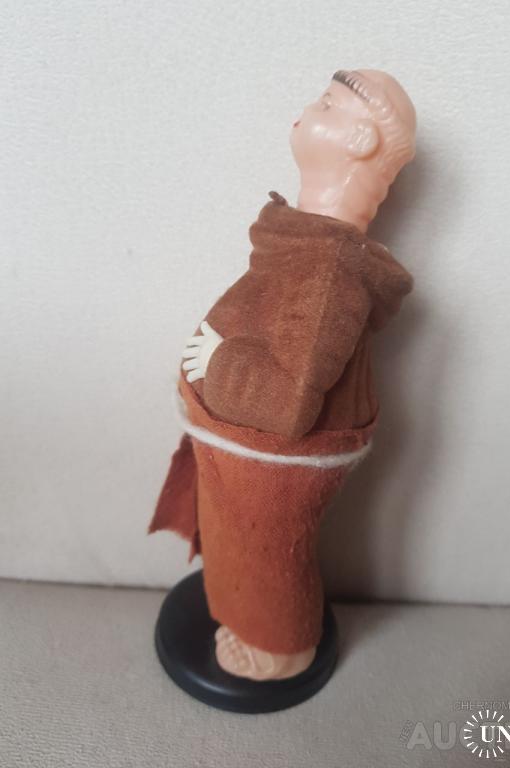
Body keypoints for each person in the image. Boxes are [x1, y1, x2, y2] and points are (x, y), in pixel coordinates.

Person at [150, 69, 417, 681]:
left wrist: (216, 362)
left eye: (327, 104)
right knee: (238, 542)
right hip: (243, 449)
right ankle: (253, 623)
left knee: (264, 550)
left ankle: (281, 648)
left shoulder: (329, 273)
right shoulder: (313, 245)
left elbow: (288, 402)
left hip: (273, 461)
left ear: (360, 141)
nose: (303, 111)